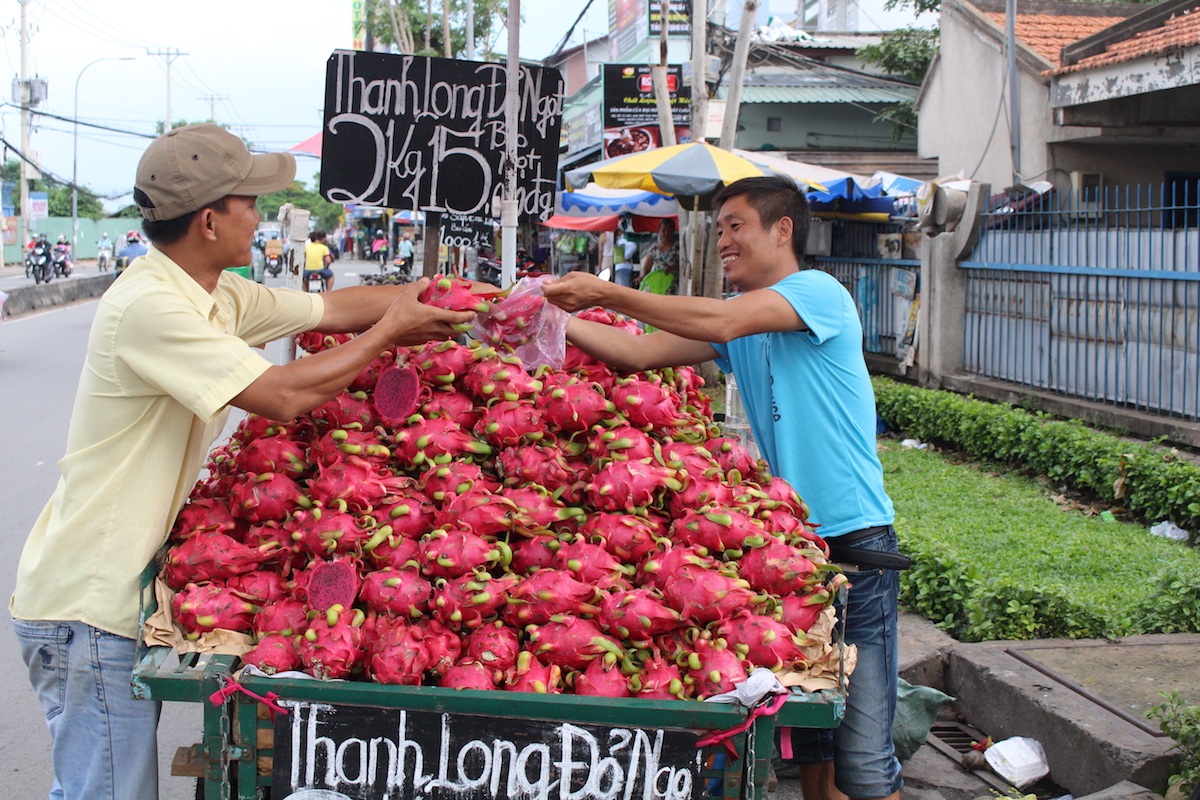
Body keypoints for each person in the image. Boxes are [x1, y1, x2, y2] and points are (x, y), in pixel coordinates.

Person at [8, 123, 475, 800]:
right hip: (87, 604)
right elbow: (284, 394)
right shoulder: (153, 308)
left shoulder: (215, 295)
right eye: (248, 203)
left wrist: (448, 299)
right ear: (207, 220)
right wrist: (390, 335)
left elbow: (335, 305)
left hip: (117, 596)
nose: (260, 217)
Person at [542, 175, 903, 800]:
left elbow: (726, 319)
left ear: (782, 229)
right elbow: (638, 354)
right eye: (720, 228)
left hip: (855, 544)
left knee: (865, 762)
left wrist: (603, 290)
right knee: (815, 747)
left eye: (736, 226)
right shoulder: (750, 324)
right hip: (794, 554)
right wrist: (547, 319)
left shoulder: (816, 294)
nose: (723, 241)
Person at [637, 217, 680, 295]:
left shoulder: (678, 248)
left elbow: (683, 266)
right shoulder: (654, 249)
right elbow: (646, 267)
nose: (666, 233)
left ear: (673, 231)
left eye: (669, 230)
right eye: (664, 230)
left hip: (673, 287)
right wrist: (642, 277)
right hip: (658, 286)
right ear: (659, 230)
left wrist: (673, 268)